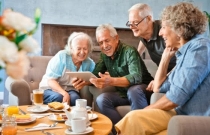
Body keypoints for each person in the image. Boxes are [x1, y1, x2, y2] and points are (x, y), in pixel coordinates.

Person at [115, 2, 210, 135]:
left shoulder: (199, 48)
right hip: (180, 113)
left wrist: (144, 111)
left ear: (180, 30)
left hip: (194, 117)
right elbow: (158, 88)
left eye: (164, 27)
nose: (160, 33)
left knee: (135, 117)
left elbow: (175, 97)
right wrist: (165, 57)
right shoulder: (184, 53)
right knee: (134, 121)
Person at [89, 23, 153, 134]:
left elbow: (136, 77)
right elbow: (95, 74)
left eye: (107, 40)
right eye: (101, 43)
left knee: (134, 90)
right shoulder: (104, 56)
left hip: (143, 91)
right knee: (102, 99)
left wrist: (111, 81)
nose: (104, 46)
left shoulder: (129, 51)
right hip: (124, 93)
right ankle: (122, 131)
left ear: (116, 38)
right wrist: (83, 80)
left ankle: (139, 131)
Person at [127, 3, 176, 91]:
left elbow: (183, 61)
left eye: (135, 23)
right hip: (163, 73)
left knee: (155, 91)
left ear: (149, 19)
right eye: (130, 23)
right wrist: (137, 55)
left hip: (177, 74)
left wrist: (160, 79)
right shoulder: (143, 32)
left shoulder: (165, 31)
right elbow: (143, 41)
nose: (131, 27)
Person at [39, 32, 95, 106]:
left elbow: (93, 80)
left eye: (85, 49)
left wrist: (85, 83)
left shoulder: (89, 63)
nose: (82, 52)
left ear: (89, 49)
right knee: (59, 97)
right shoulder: (62, 56)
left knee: (76, 100)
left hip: (70, 90)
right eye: (78, 48)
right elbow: (51, 80)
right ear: (71, 48)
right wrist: (65, 94)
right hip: (49, 88)